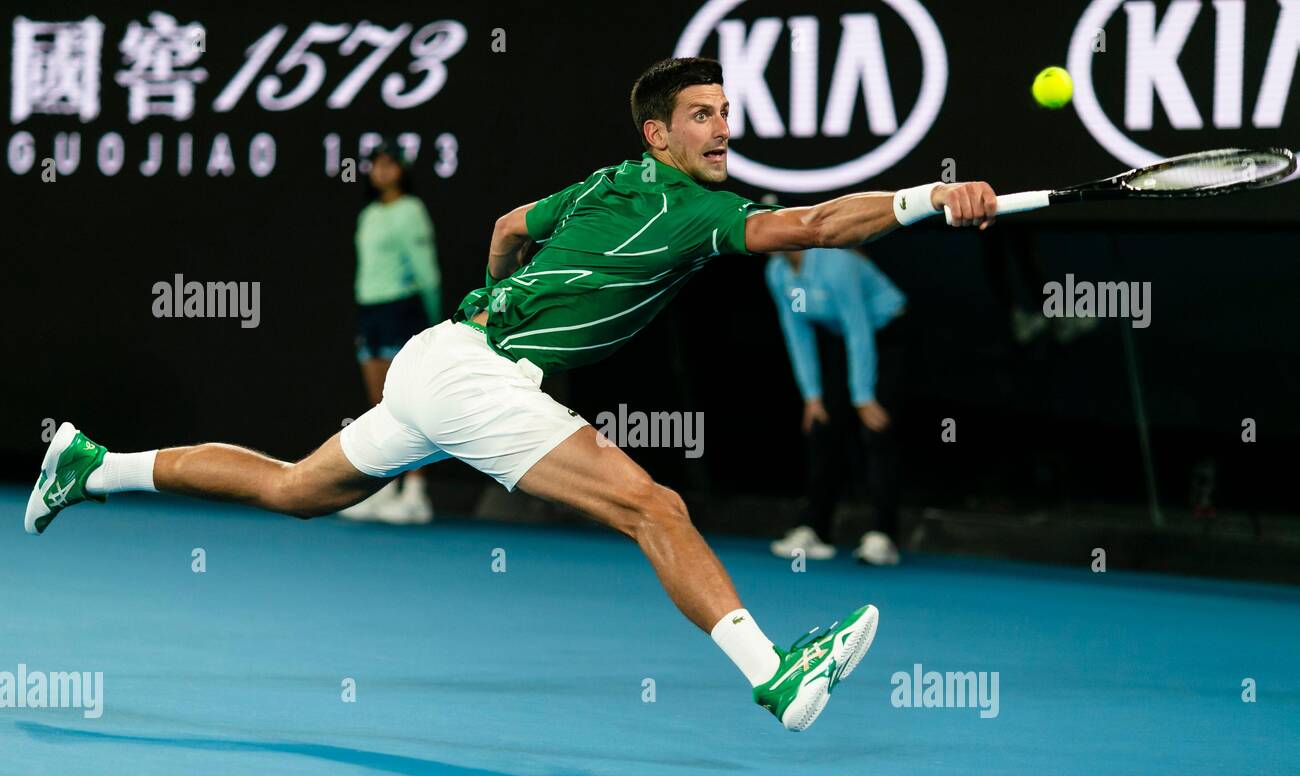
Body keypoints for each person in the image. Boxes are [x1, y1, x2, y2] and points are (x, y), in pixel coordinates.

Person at [25, 58, 999, 732]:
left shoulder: (607, 183)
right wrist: (927, 199)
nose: (722, 129)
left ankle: (92, 463)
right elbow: (818, 223)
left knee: (292, 487)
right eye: (702, 116)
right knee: (652, 506)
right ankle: (771, 672)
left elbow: (503, 226)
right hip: (473, 373)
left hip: (443, 352)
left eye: (726, 113)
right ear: (660, 134)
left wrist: (490, 306)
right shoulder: (692, 205)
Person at [766, 244, 908, 565]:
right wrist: (811, 396)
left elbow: (859, 326)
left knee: (875, 431)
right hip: (842, 339)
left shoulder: (837, 264)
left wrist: (862, 396)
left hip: (887, 336)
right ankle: (814, 528)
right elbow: (796, 331)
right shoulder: (776, 272)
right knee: (822, 424)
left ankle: (883, 535)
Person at [338, 141, 441, 524]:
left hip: (404, 308)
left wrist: (432, 322)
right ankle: (382, 489)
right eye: (375, 164)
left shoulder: (412, 211)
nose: (381, 171)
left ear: (401, 170)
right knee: (378, 408)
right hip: (371, 312)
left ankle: (416, 493)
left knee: (408, 404)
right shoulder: (367, 214)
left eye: (389, 164)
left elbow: (427, 269)